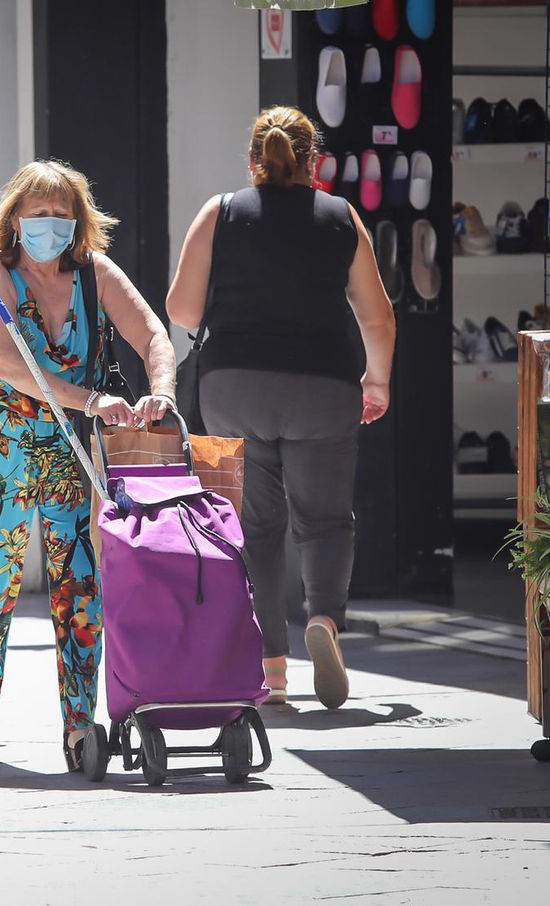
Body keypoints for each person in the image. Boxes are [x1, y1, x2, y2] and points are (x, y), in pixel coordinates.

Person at [167, 106, 395, 711]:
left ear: (254, 161)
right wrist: (378, 382)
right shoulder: (342, 217)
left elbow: (183, 311)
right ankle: (323, 620)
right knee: (323, 520)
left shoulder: (221, 212)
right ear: (313, 161)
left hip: (233, 388)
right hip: (323, 386)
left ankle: (273, 672)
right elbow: (377, 315)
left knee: (256, 529)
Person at [0, 160, 178, 768]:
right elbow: (7, 363)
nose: (49, 225)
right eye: (38, 214)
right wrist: (93, 400)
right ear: (15, 218)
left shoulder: (93, 275)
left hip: (70, 457)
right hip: (0, 458)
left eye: (61, 215)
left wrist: (161, 390)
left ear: (78, 221)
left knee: (80, 593)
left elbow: (154, 335)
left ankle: (81, 726)